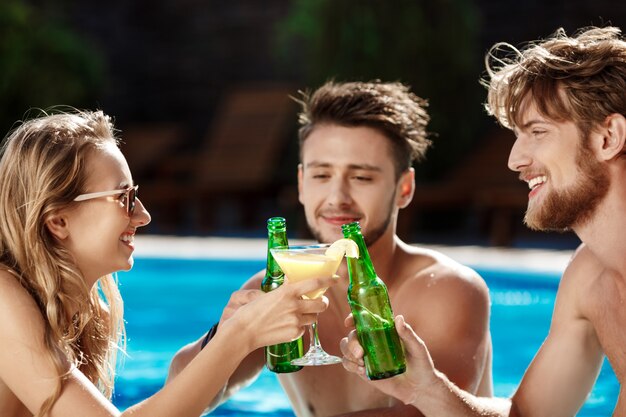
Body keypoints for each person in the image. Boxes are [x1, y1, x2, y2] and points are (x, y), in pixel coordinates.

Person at [341, 26, 626, 416]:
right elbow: (526, 414)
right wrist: (424, 388)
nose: (514, 160)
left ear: (609, 137)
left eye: (537, 132)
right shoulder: (589, 277)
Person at [168, 81, 493, 416]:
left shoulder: (447, 290)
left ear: (404, 188)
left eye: (362, 178)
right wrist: (227, 336)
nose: (338, 197)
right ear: (301, 184)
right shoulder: (275, 290)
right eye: (322, 175)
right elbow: (179, 400)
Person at [0, 109, 334, 417]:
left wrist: (227, 338)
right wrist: (240, 336)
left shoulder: (89, 312)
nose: (143, 215)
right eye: (124, 198)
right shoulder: (3, 297)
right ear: (57, 221)